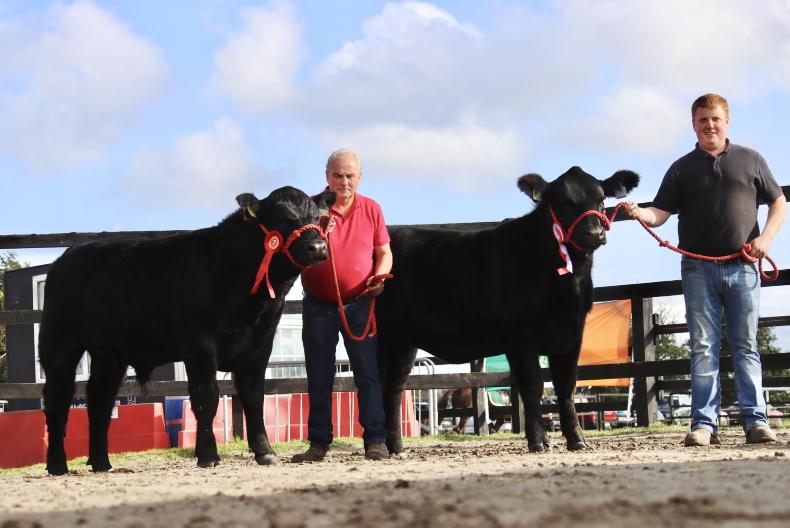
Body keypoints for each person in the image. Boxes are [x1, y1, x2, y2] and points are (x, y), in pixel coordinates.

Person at [625, 93, 787, 446]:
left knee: (746, 345)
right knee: (702, 346)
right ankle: (703, 425)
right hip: (698, 269)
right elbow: (660, 213)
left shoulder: (751, 159)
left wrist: (767, 239)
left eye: (715, 119)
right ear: (693, 124)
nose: (709, 125)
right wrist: (640, 213)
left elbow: (778, 201)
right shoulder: (681, 168)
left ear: (726, 121)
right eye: (702, 119)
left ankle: (756, 422)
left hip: (744, 266)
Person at [292, 149, 393, 462]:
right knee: (318, 376)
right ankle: (318, 443)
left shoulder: (372, 208)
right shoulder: (310, 208)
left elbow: (384, 252)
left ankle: (375, 440)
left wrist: (380, 276)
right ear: (327, 176)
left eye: (350, 176)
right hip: (318, 304)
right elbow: (294, 252)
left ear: (359, 178)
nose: (344, 182)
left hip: (360, 302)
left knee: (368, 373)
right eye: (338, 175)